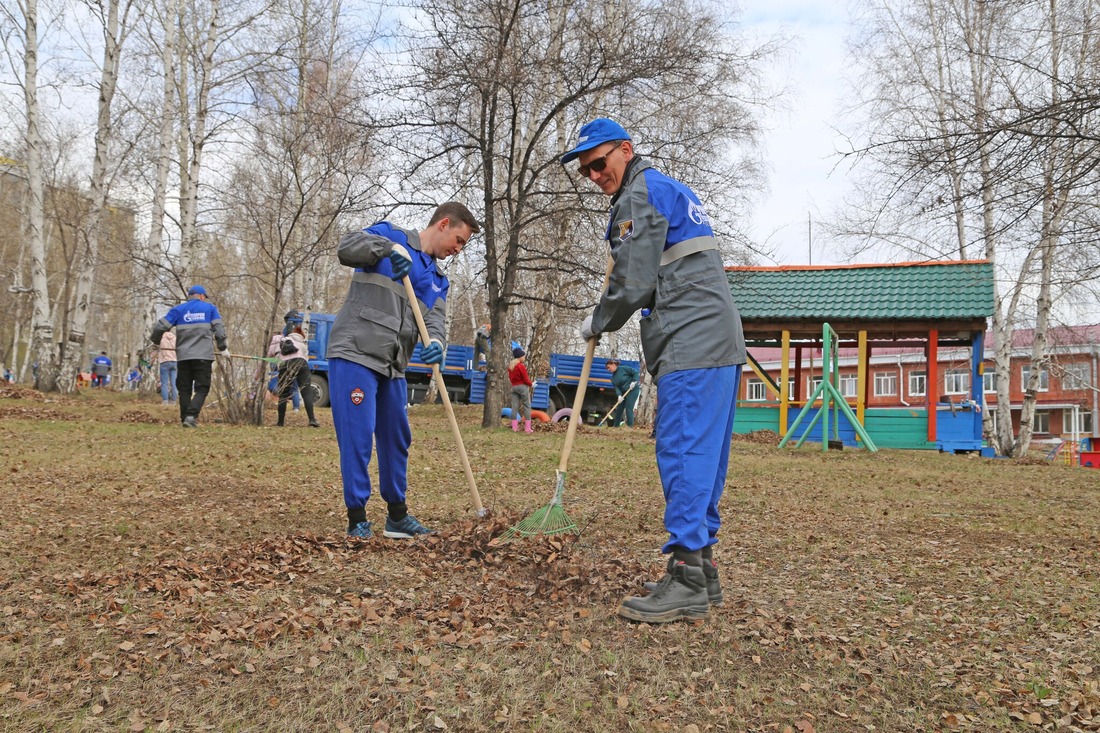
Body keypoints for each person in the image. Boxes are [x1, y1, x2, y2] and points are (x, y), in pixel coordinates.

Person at [562, 118, 746, 624]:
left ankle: (686, 576)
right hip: (716, 337)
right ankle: (702, 572)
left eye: (599, 163)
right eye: (586, 171)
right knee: (704, 458)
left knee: (683, 451)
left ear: (626, 149)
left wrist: (599, 319)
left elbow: (635, 280)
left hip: (691, 338)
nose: (594, 175)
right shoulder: (667, 187)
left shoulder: (639, 196)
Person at [329, 202, 480, 540]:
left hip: (393, 364)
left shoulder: (438, 279)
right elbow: (346, 248)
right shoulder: (389, 235)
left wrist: (437, 345)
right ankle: (357, 519)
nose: (457, 250)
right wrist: (388, 249)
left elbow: (435, 321)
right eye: (459, 240)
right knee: (358, 434)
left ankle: (396, 517)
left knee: (397, 437)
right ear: (443, 224)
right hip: (356, 351)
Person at [150, 284, 229, 428]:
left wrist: (156, 342)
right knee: (202, 388)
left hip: (183, 357)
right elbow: (219, 329)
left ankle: (185, 418)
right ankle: (191, 416)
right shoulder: (210, 309)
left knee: (184, 389)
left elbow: (160, 327)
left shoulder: (178, 310)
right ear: (202, 296)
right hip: (203, 357)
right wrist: (223, 347)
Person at [267, 310, 319, 428]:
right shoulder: (302, 343)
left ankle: (280, 422)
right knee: (306, 392)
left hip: (285, 365)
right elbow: (306, 358)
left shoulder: (279, 339)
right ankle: (312, 420)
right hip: (302, 364)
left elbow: (269, 354)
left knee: (284, 394)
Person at [606, 358, 640, 427]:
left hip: (632, 390)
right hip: (623, 392)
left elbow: (635, 372)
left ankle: (630, 426)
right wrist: (619, 395)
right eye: (607, 368)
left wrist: (634, 381)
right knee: (619, 409)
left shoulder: (624, 368)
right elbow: (617, 388)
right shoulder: (613, 378)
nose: (608, 369)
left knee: (628, 408)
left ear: (613, 365)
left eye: (609, 367)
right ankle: (616, 426)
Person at [508, 346, 534, 433]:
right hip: (522, 387)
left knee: (514, 407)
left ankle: (514, 428)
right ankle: (527, 428)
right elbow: (526, 379)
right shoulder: (520, 366)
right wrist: (531, 384)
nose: (524, 357)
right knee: (527, 406)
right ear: (520, 357)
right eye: (523, 356)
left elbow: (510, 378)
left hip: (514, 387)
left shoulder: (511, 366)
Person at [157, 330, 178, 405]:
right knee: (174, 383)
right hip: (174, 361)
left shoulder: (161, 338)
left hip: (165, 361)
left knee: (164, 383)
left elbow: (156, 350)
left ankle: (165, 401)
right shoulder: (175, 338)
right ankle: (173, 401)